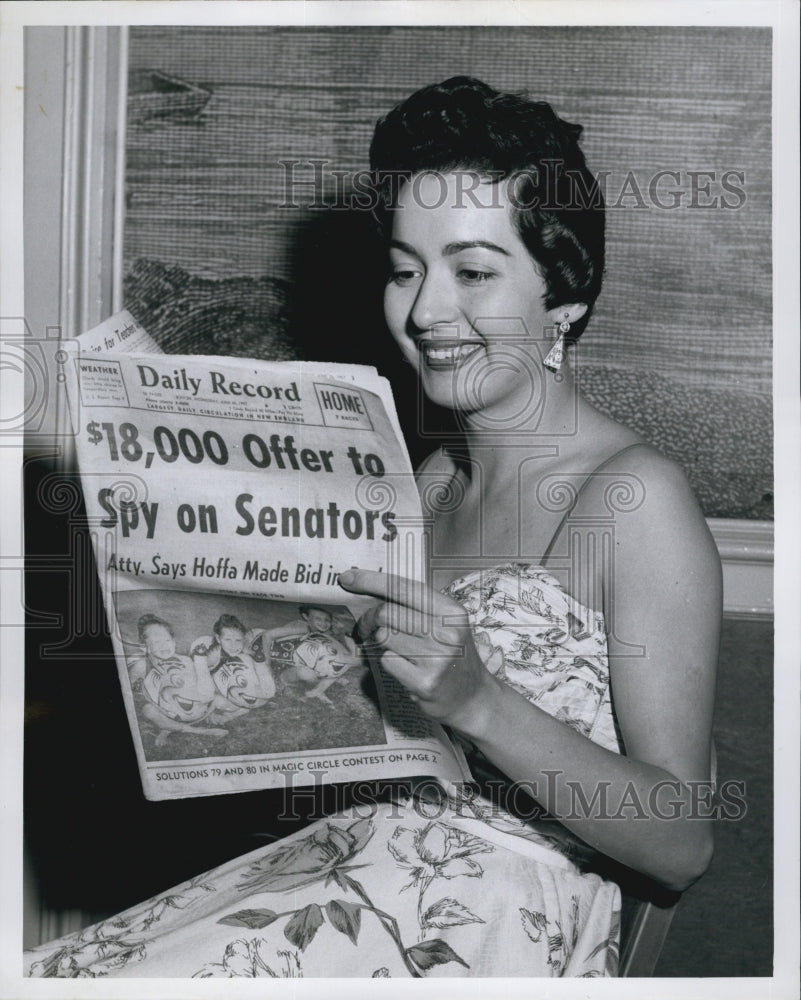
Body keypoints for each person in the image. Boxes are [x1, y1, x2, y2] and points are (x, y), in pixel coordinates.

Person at [24, 77, 720, 978]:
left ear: (565, 296)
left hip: (486, 920)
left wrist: (478, 703)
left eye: (472, 271)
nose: (426, 311)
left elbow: (682, 843)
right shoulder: (427, 485)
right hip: (359, 869)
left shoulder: (635, 497)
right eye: (404, 269)